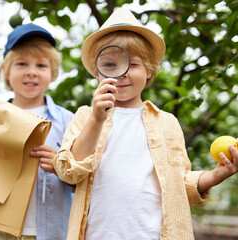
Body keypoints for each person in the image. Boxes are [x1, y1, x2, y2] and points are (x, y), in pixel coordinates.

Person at [52, 8, 238, 240]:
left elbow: (179, 184)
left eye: (133, 65)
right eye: (110, 65)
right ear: (97, 72)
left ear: (149, 71)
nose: (122, 74)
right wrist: (97, 118)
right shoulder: (84, 116)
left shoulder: (167, 123)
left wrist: (214, 176)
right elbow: (69, 171)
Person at [0, 23, 74, 240]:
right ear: (6, 72)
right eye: (22, 64)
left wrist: (61, 166)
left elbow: (81, 181)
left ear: (52, 72)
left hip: (41, 231)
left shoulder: (68, 122)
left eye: (41, 66)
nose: (31, 72)